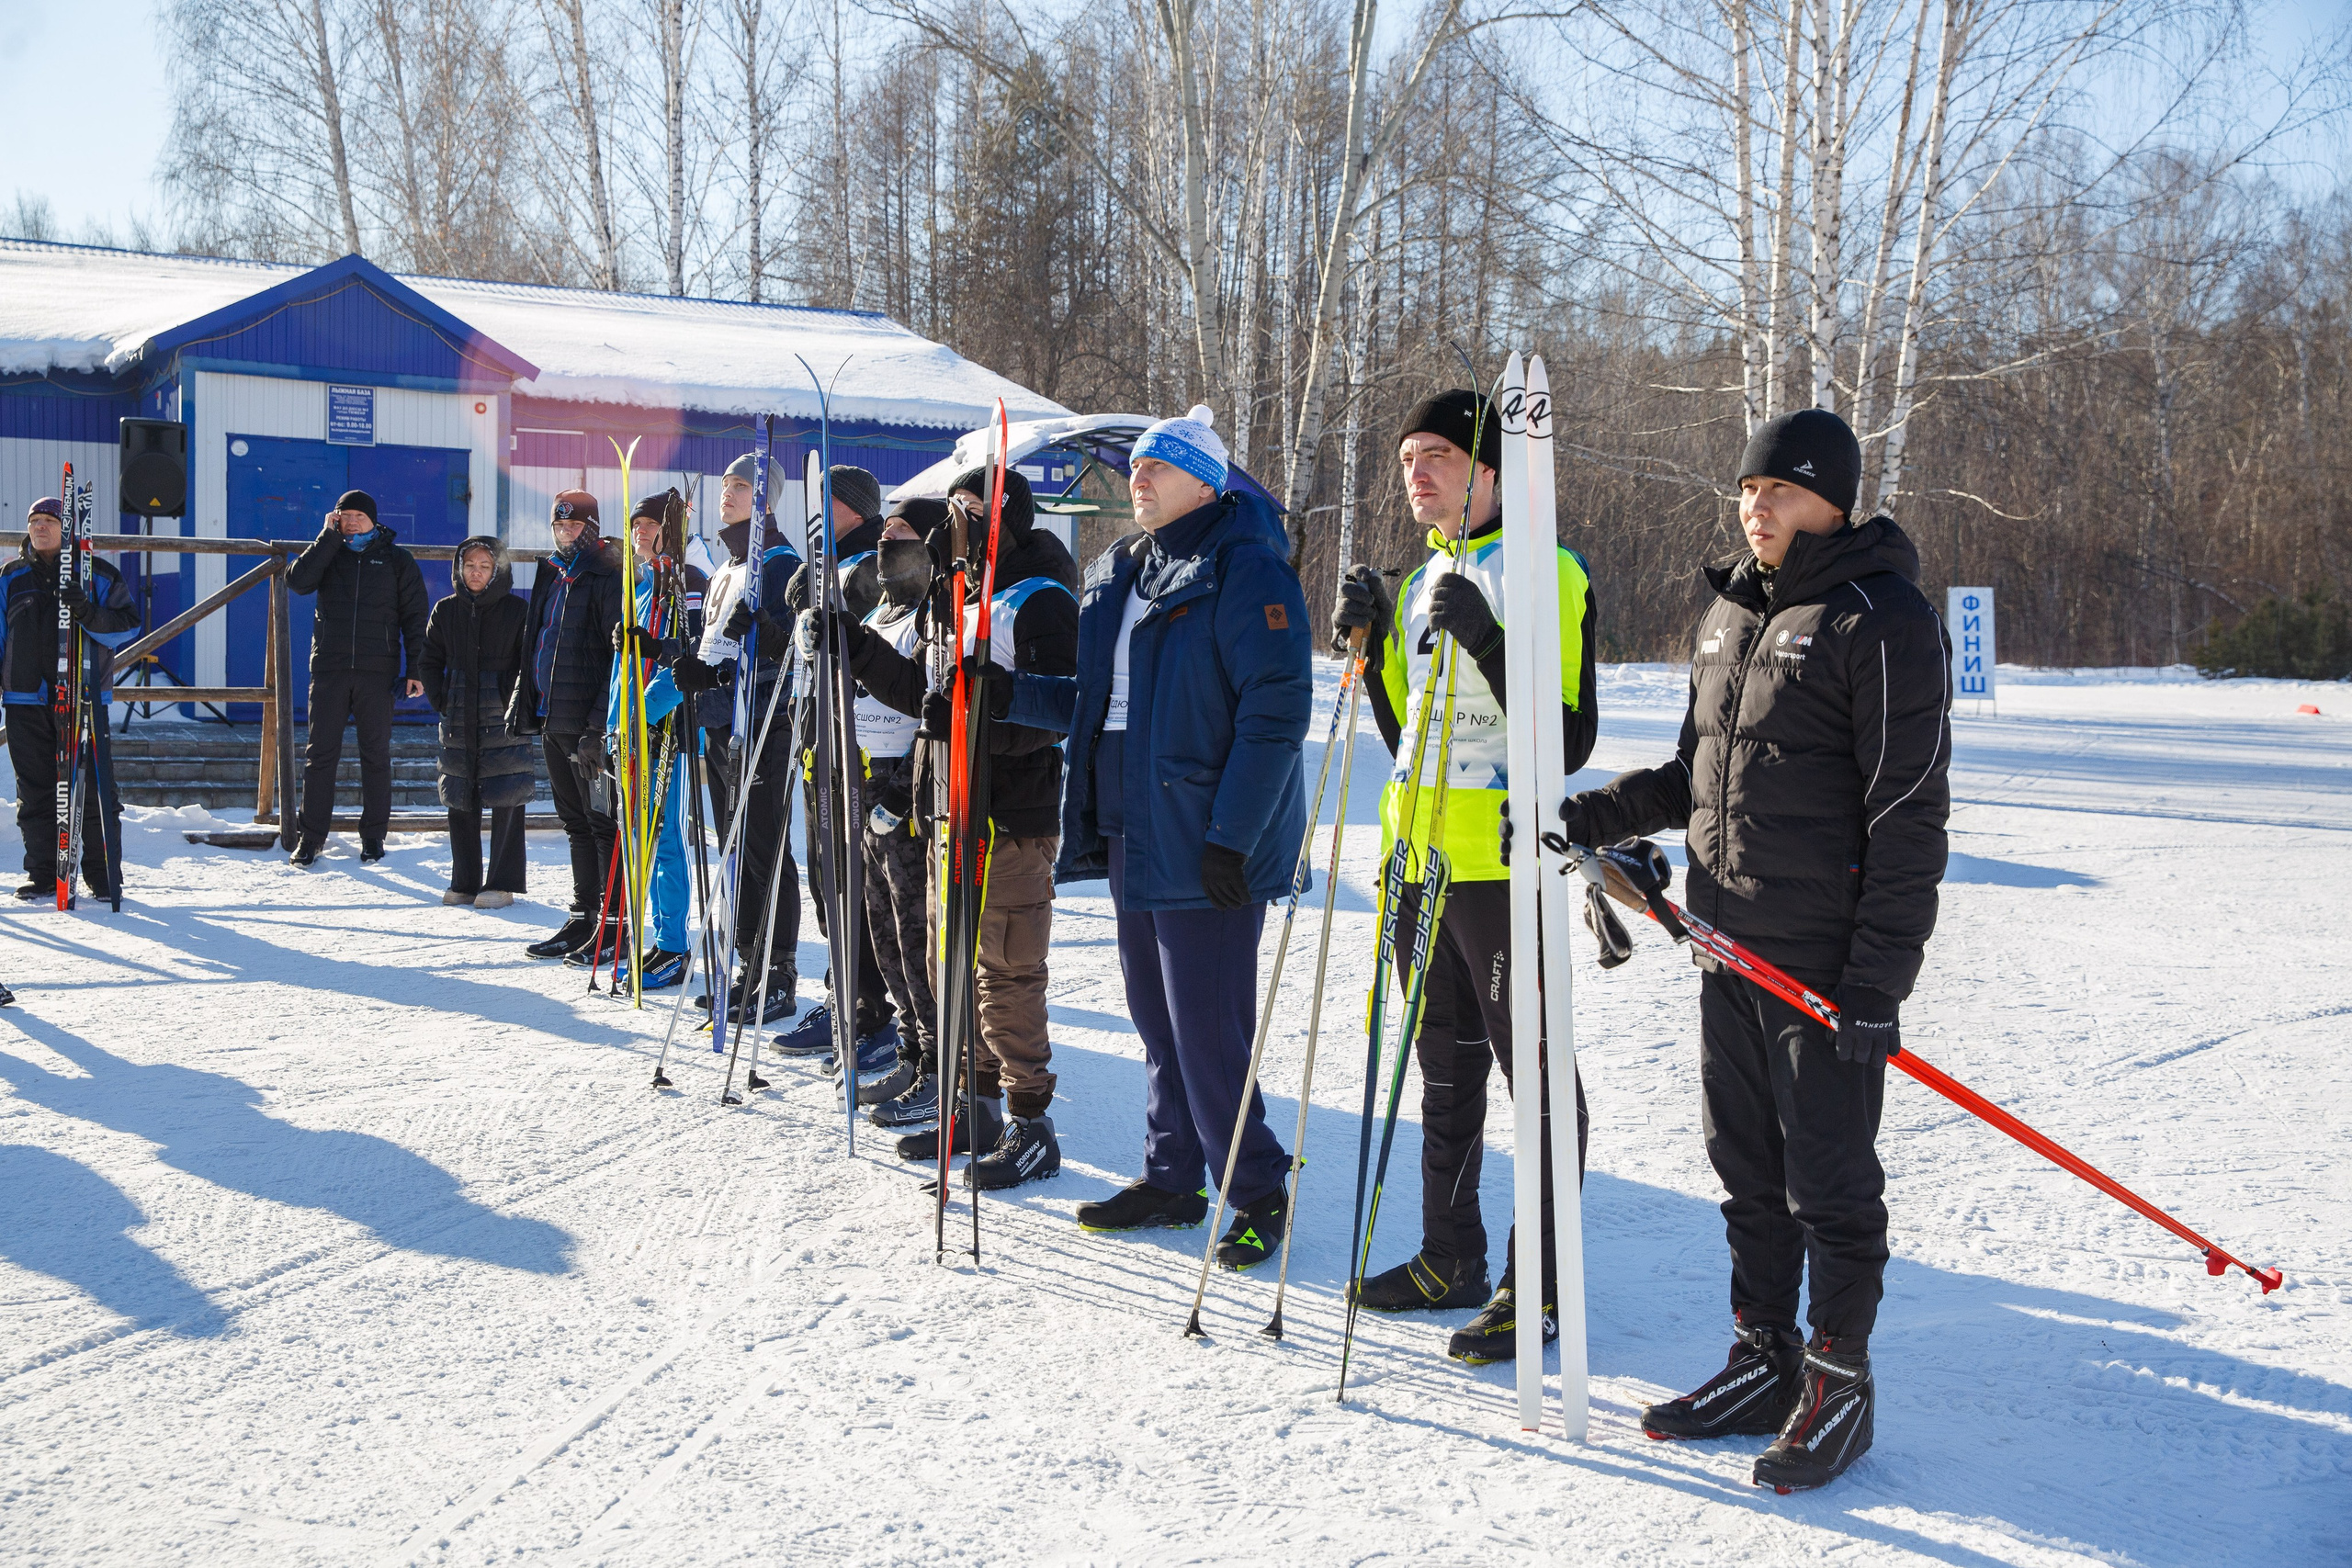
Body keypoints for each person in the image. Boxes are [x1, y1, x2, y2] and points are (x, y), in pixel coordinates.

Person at [1561, 407, 1951, 1492]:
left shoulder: (1884, 617)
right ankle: (1764, 1356)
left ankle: (1839, 1383)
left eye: (1779, 490)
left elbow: (1910, 815)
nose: (1755, 506)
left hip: (1821, 964)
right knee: (1746, 1170)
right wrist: (1590, 817)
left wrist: (1878, 980)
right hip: (1724, 944)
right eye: (1746, 489)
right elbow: (1695, 775)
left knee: (1828, 1179)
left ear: (1834, 499)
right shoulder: (1734, 609)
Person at [1328, 389, 1599, 1365]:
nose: (1418, 472)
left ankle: (1542, 1286)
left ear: (1493, 466)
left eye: (1439, 453)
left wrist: (1485, 636)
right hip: (1418, 862)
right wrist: (1373, 642)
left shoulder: (1547, 571)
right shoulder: (1419, 583)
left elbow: (1563, 741)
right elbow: (1411, 737)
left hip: (1498, 861)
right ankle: (1450, 1255)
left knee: (1534, 1070)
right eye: (1407, 458)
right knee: (1441, 1064)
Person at [1019, 407, 1312, 1260]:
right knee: (1156, 1017)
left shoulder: (1244, 568)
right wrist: (993, 692)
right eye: (1138, 466)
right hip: (1130, 825)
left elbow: (1274, 713)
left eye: (1162, 466)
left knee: (1208, 1028)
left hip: (1207, 835)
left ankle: (1256, 1189)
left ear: (1206, 482)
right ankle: (1172, 1174)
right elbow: (1091, 699)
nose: (1139, 479)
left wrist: (1233, 835)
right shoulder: (1118, 570)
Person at [837, 467, 1079, 1189]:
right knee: (955, 972)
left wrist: (980, 713)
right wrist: (854, 644)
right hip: (947, 809)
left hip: (1009, 816)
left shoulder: (1039, 598)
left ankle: (1030, 1120)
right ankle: (971, 1101)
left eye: (969, 512)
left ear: (1003, 521)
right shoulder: (953, 598)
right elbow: (923, 695)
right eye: (952, 513)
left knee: (1005, 973)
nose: (954, 526)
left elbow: (1060, 712)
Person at [773, 464, 900, 1070]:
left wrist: (820, 587)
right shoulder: (831, 560)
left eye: (827, 501)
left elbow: (855, 621)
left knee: (852, 880)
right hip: (816, 732)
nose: (816, 512)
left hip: (860, 740)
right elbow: (798, 601)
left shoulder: (874, 563)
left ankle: (870, 1009)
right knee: (825, 879)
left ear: (850, 505)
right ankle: (842, 991)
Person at [670, 454, 802, 1020]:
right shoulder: (727, 566)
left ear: (765, 500)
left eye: (742, 486)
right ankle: (747, 959)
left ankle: (779, 970)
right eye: (725, 484)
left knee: (765, 846)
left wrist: (724, 671)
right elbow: (717, 646)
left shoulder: (781, 563)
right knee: (734, 846)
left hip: (765, 722)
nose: (729, 493)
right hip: (723, 722)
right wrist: (695, 674)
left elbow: (791, 652)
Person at [1, 495, 137, 901]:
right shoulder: (10, 577)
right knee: (37, 791)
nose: (39, 527)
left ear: (67, 528)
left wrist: (87, 612)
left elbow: (126, 627)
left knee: (95, 789)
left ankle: (103, 875)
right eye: (34, 521)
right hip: (25, 699)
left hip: (83, 699)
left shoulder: (98, 575)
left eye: (48, 520)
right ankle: (45, 874)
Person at [508, 491, 625, 962]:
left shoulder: (605, 576)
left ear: (591, 528)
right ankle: (583, 918)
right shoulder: (552, 574)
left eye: (573, 527)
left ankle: (615, 926)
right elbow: (536, 641)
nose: (565, 534)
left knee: (602, 825)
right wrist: (527, 703)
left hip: (587, 727)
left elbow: (617, 661)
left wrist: (597, 728)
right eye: (559, 527)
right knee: (574, 823)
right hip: (552, 717)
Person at [286, 490, 429, 866]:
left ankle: (373, 837)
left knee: (375, 756)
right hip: (330, 670)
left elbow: (415, 618)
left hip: (377, 672)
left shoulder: (397, 560)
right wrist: (325, 538)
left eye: (357, 517)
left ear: (373, 520)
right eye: (343, 516)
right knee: (320, 756)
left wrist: (415, 669)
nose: (350, 522)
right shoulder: (327, 552)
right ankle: (311, 838)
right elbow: (297, 582)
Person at [603, 490, 707, 991]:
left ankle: (673, 946)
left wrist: (642, 715)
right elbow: (624, 670)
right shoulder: (643, 588)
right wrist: (613, 723)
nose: (640, 532)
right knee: (640, 833)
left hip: (664, 732)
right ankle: (658, 939)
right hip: (634, 729)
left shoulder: (683, 581)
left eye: (649, 524)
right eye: (635, 524)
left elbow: (685, 660)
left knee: (663, 837)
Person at [420, 536, 533, 909]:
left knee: (507, 796)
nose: (476, 573)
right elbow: (430, 659)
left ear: (497, 570)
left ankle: (501, 884)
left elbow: (527, 663)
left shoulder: (517, 610)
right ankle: (464, 882)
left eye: (485, 566)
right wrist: (442, 699)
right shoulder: (445, 610)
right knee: (461, 798)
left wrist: (511, 702)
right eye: (470, 565)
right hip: (458, 714)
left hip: (502, 716)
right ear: (459, 568)